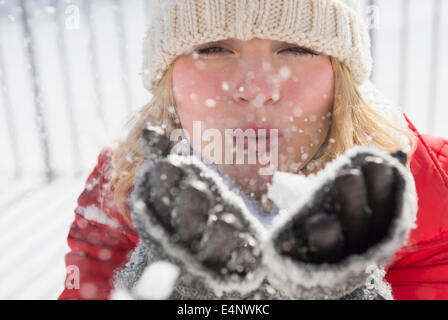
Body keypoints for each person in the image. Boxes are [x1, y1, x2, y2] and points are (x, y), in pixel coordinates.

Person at [58, 0, 448, 300]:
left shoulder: (434, 192)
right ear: (168, 79)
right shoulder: (122, 188)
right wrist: (171, 286)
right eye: (212, 48)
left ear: (340, 77)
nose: (257, 89)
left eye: (297, 47)